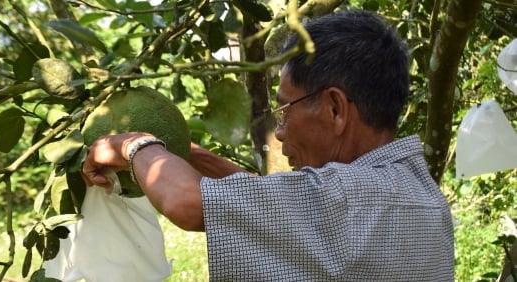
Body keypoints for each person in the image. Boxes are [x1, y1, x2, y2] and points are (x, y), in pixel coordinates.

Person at [82, 9, 455, 281]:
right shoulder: (422, 196)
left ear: (335, 108)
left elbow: (186, 203)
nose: (280, 133)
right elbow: (274, 203)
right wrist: (187, 153)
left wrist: (134, 145)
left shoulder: (346, 199)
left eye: (285, 111)